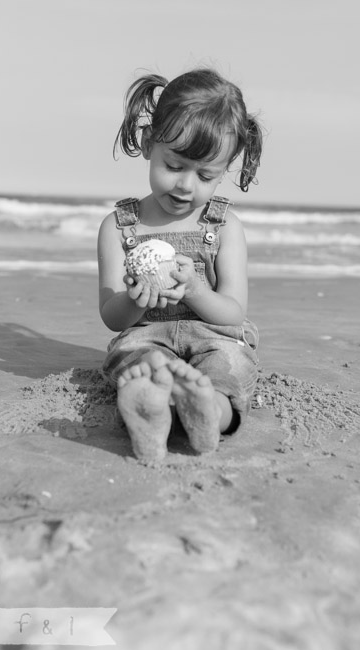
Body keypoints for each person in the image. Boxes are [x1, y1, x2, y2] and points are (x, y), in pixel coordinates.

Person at [98, 67, 263, 462]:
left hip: (214, 334)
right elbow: (113, 317)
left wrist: (196, 290)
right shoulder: (119, 227)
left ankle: (211, 411)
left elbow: (233, 313)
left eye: (206, 175)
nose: (186, 186)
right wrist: (136, 300)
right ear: (148, 142)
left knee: (228, 365)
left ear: (226, 169)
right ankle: (154, 406)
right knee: (139, 360)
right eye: (174, 166)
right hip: (147, 334)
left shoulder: (224, 227)